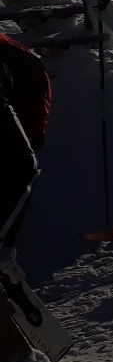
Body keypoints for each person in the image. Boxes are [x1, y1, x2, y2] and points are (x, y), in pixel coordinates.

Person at [0, 31, 51, 264]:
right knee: (23, 168)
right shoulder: (22, 63)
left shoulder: (19, 62)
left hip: (19, 103)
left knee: (21, 167)